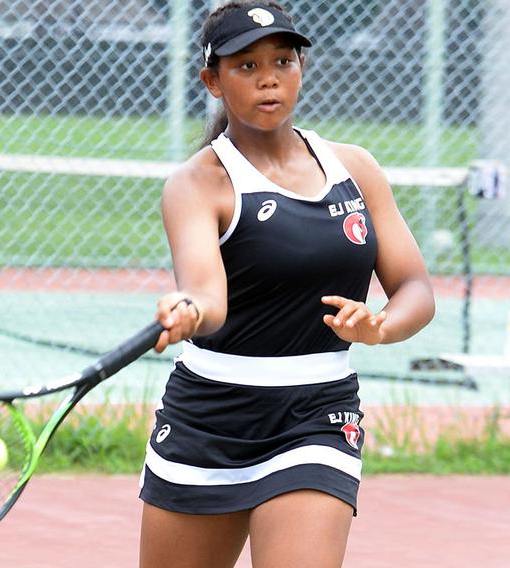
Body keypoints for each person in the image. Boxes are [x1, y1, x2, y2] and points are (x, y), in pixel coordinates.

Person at [138, 3, 435, 567]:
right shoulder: (198, 183)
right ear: (213, 81)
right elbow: (208, 298)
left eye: (283, 60)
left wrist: (381, 326)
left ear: (301, 67)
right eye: (246, 66)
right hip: (210, 416)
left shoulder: (356, 169)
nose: (269, 76)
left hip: (318, 414)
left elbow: (415, 287)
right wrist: (187, 311)